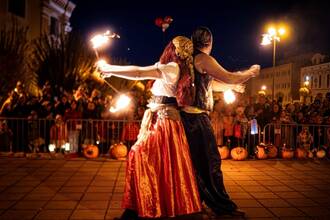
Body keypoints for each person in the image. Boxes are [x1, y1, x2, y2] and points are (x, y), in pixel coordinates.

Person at [99, 36, 202, 219]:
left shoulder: (172, 67)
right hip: (160, 120)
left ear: (171, 49)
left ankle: (146, 208)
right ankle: (142, 208)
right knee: (158, 164)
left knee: (140, 157)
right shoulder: (174, 67)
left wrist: (110, 69)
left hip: (164, 122)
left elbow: (139, 72)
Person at [180, 26, 260, 217]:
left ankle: (196, 203)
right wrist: (250, 72)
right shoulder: (203, 58)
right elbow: (229, 75)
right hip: (196, 118)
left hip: (189, 118)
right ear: (209, 42)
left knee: (197, 164)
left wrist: (230, 87)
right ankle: (222, 207)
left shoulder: (191, 60)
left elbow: (209, 83)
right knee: (211, 163)